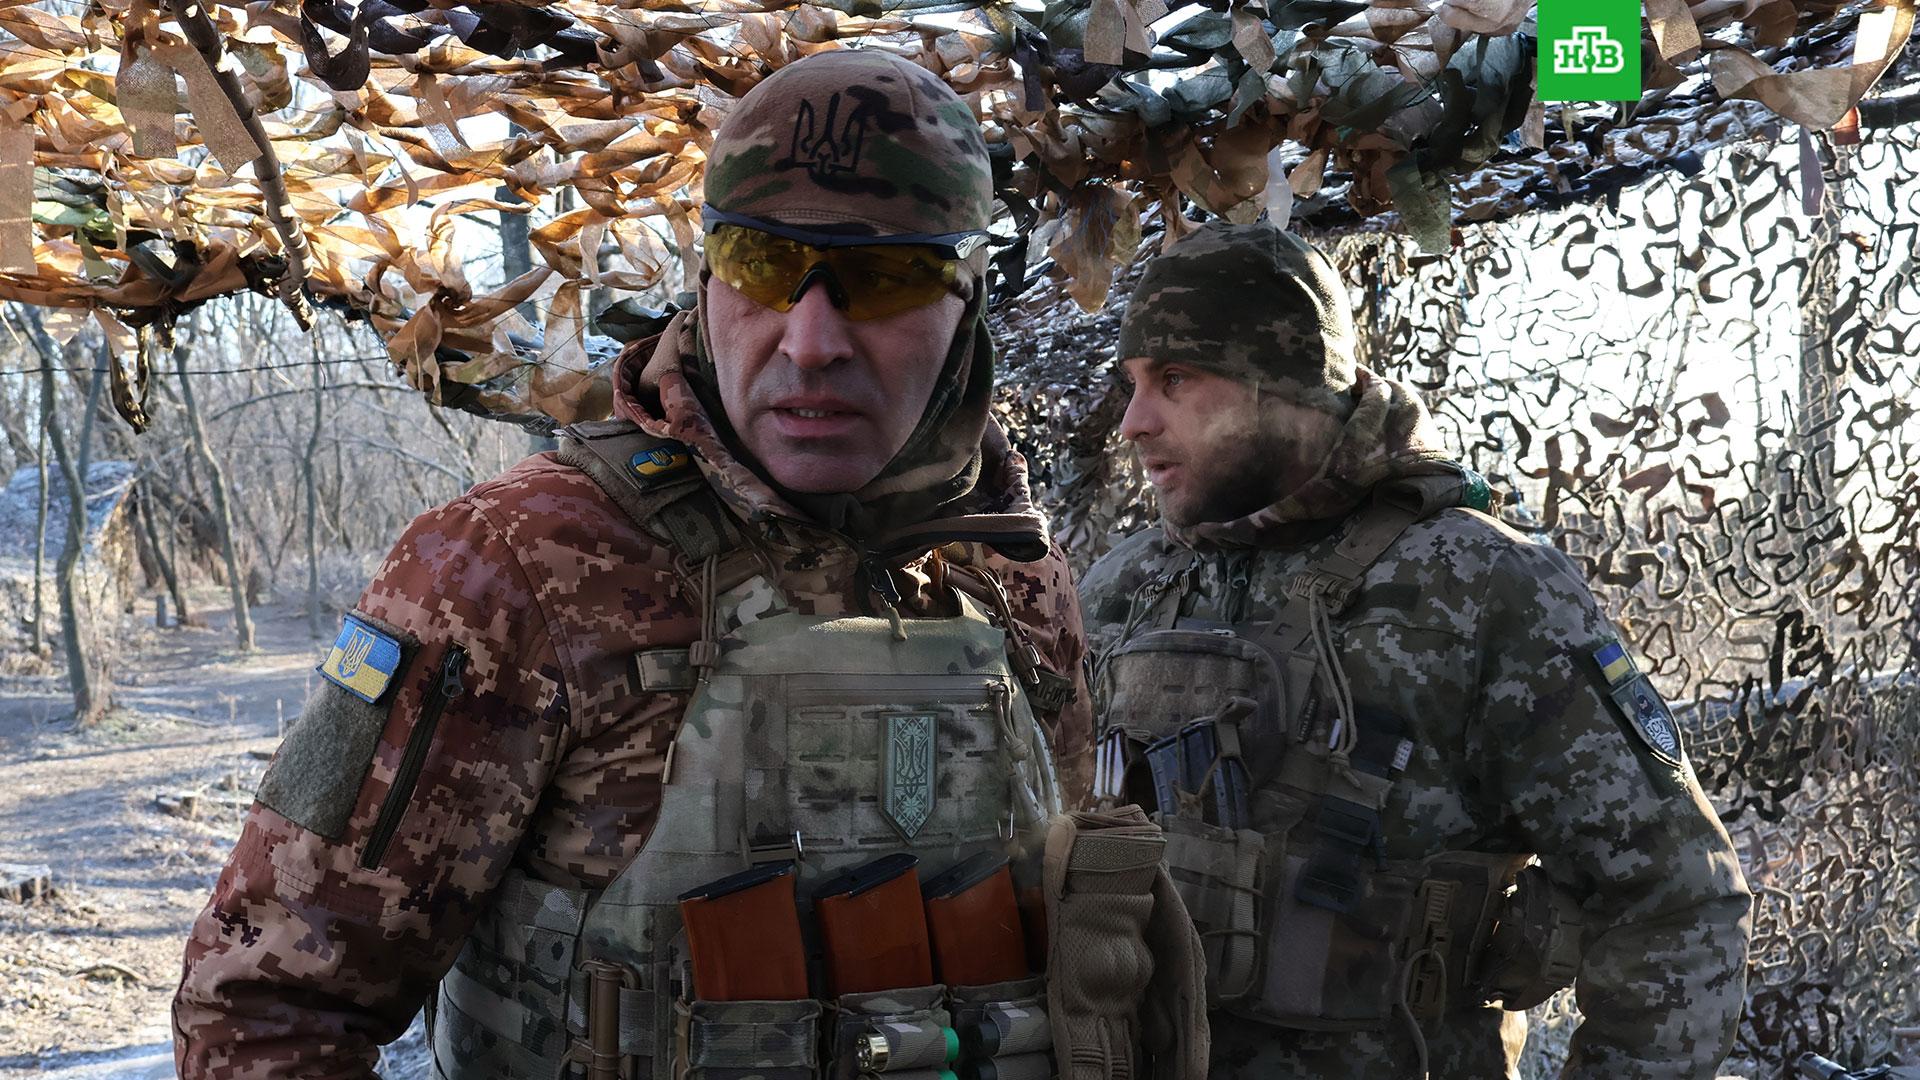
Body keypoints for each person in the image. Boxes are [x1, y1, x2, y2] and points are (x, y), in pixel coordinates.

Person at [173, 49, 1207, 1080]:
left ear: (966, 300)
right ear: (707, 282)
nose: (810, 341)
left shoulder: (1011, 573)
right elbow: (264, 1010)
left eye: (885, 277)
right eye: (762, 265)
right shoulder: (517, 565)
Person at [1078, 219, 1753, 1080]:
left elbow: (1674, 899)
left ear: (1282, 385)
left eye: (1174, 379)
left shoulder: (1480, 584)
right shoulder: (1125, 587)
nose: (1133, 422)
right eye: (1132, 383)